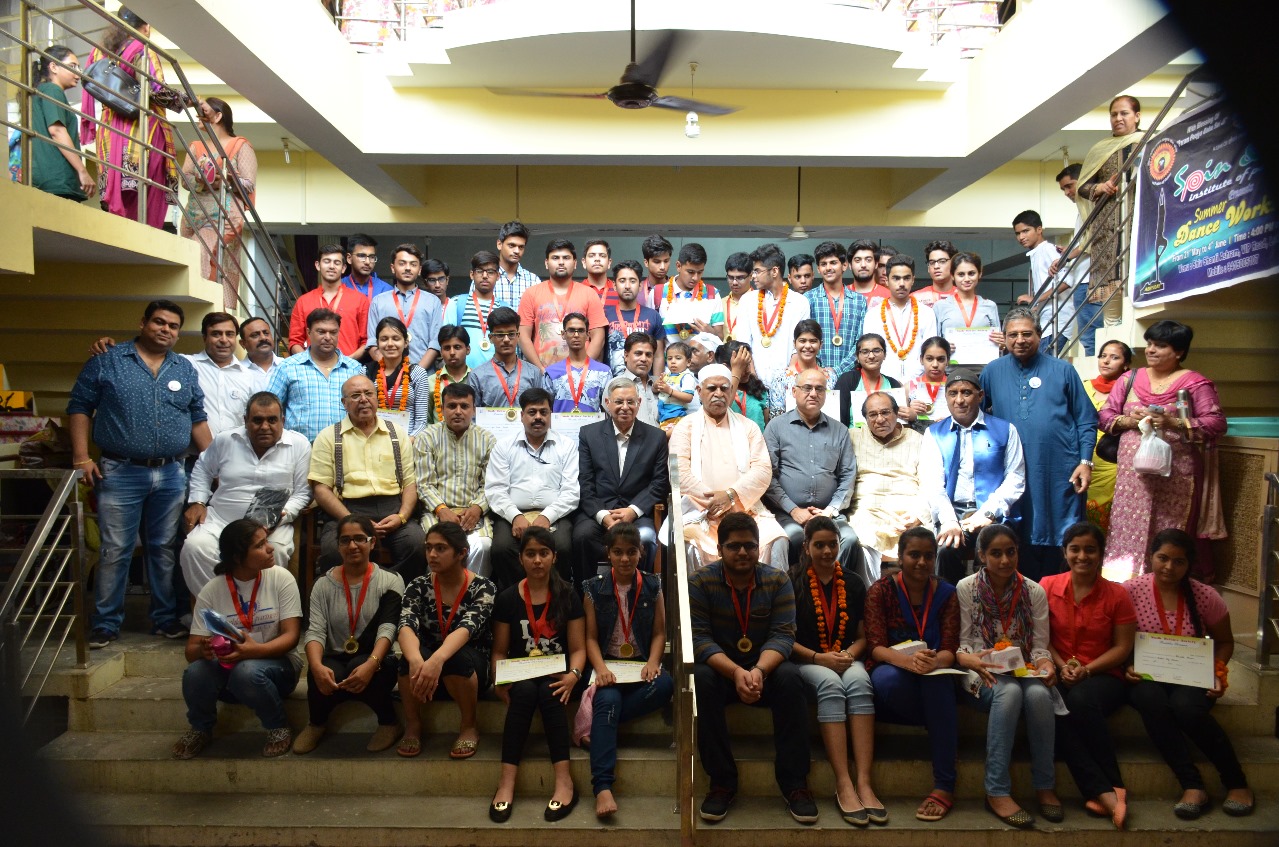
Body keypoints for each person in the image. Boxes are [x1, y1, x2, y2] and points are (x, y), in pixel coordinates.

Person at [69, 300, 212, 648]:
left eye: (173, 326)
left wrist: (214, 464)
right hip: (120, 471)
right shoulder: (108, 360)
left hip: (171, 472)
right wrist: (81, 457)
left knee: (163, 549)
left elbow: (197, 417)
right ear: (143, 323)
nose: (166, 330)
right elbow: (80, 407)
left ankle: (164, 619)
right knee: (115, 549)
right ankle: (106, 623)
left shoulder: (183, 368)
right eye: (159, 322)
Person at [688, 513, 817, 825]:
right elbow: (700, 639)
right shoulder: (701, 582)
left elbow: (783, 636)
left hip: (764, 672)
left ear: (759, 548)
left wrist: (758, 671)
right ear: (719, 549)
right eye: (734, 546)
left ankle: (795, 783)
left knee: (791, 676)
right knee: (700, 678)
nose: (743, 552)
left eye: (750, 546)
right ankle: (721, 782)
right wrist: (735, 672)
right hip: (722, 672)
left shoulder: (777, 581)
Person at [1123, 529, 1255, 819]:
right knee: (1151, 700)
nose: (1169, 567)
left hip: (1192, 678)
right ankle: (1192, 785)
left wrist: (1218, 671)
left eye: (1179, 561)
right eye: (1163, 558)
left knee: (1186, 708)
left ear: (1189, 564)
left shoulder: (1206, 596)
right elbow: (1117, 639)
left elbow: (1225, 641)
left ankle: (1236, 782)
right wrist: (1127, 665)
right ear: (1150, 557)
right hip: (1146, 677)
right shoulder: (1130, 591)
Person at [1099, 321, 1226, 582]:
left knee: (1169, 531)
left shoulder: (1194, 383)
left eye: (1160, 345)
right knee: (1128, 529)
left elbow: (1216, 423)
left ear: (1179, 352)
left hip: (1176, 477)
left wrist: (1172, 422)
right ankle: (1125, 589)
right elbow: (1105, 416)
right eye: (1149, 344)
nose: (1151, 350)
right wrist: (1131, 421)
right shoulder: (1129, 379)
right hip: (1133, 480)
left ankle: (1168, 590)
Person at [954, 525, 1060, 829]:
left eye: (1010, 552)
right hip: (980, 668)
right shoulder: (966, 587)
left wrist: (1046, 664)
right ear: (981, 555)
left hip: (1022, 667)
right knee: (1009, 692)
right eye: (996, 553)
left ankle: (1045, 785)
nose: (1004, 560)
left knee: (1039, 695)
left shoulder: (1033, 591)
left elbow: (1039, 647)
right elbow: (963, 643)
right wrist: (969, 659)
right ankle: (996, 791)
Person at [980, 307, 1096, 580]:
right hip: (1011, 471)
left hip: (1059, 470)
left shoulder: (1063, 370)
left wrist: (1085, 462)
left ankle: (1058, 593)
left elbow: (1086, 420)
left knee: (1061, 532)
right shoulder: (992, 371)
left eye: (1026, 334)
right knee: (1017, 534)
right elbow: (978, 416)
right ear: (1004, 338)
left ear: (1039, 335)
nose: (1020, 340)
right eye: (1013, 335)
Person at [172, 519, 302, 760]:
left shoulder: (281, 578)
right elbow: (191, 651)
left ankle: (277, 726)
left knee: (247, 671)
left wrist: (253, 651)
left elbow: (291, 637)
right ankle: (200, 728)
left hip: (278, 667)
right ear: (237, 557)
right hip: (231, 673)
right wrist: (204, 649)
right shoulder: (212, 590)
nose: (270, 548)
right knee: (196, 672)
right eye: (260, 545)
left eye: (266, 541)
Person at [787, 517, 884, 826]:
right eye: (820, 545)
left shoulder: (853, 582)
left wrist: (849, 654)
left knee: (860, 682)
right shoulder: (791, 580)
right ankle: (843, 782)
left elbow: (864, 636)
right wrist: (819, 658)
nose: (827, 551)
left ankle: (864, 782)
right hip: (808, 661)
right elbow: (783, 638)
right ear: (806, 547)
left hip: (845, 657)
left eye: (832, 544)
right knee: (830, 684)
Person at [1042, 522, 1136, 830]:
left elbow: (1122, 647)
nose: (1082, 556)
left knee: (1080, 700)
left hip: (1104, 675)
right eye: (1075, 549)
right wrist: (1061, 666)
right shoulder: (1047, 586)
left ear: (1101, 554)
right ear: (1064, 552)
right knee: (1053, 707)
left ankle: (1108, 786)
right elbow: (1041, 637)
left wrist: (1087, 670)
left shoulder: (1118, 594)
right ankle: (1107, 791)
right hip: (1058, 669)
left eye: (1090, 550)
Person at [489, 527, 586, 823]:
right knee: (524, 691)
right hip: (521, 673)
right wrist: (499, 681)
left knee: (549, 691)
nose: (537, 560)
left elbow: (579, 648)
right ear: (520, 558)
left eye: (544, 553)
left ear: (554, 557)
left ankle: (564, 781)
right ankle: (506, 783)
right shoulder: (507, 598)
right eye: (530, 554)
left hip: (560, 674)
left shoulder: (568, 594)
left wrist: (574, 675)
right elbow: (499, 651)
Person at [863, 527, 959, 823]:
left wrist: (933, 662)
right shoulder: (881, 590)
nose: (921, 562)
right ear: (900, 556)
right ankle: (940, 722)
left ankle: (944, 786)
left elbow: (950, 648)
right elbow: (876, 647)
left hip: (933, 672)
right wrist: (909, 663)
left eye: (928, 556)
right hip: (896, 672)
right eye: (914, 555)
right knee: (887, 681)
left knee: (938, 682)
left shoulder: (946, 593)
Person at [582, 523, 675, 818]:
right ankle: (602, 786)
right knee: (608, 700)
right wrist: (600, 669)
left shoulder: (653, 585)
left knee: (665, 685)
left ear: (641, 552)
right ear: (608, 553)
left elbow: (659, 632)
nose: (625, 559)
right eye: (618, 552)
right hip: (608, 666)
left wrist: (653, 662)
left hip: (639, 666)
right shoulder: (593, 587)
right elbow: (590, 638)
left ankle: (603, 725)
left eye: (631, 552)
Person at [180, 391, 311, 595]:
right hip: (221, 521)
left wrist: (281, 515)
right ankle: (218, 609)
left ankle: (258, 611)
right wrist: (197, 501)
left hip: (271, 525)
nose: (264, 426)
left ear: (283, 421)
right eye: (257, 420)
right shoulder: (226, 439)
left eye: (272, 420)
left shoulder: (299, 444)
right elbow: (203, 469)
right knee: (195, 547)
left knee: (275, 551)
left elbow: (303, 493)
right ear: (245, 421)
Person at [294, 514, 405, 755]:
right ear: (338, 546)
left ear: (372, 543)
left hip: (376, 656)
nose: (352, 545)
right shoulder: (322, 584)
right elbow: (315, 630)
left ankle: (389, 723)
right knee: (323, 669)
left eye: (359, 539)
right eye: (345, 540)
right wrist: (315, 666)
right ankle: (316, 724)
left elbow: (388, 628)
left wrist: (371, 663)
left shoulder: (391, 580)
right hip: (336, 655)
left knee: (362, 665)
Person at [670, 365, 788, 571]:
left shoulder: (748, 427)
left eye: (724, 388)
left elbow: (762, 471)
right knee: (691, 544)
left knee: (777, 540)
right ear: (699, 391)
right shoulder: (684, 428)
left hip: (747, 511)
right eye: (712, 388)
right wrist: (713, 502)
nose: (718, 393)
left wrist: (730, 496)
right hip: (702, 513)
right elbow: (679, 474)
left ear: (731, 391)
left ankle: (771, 593)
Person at [396, 522, 497, 760]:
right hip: (427, 668)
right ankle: (413, 724)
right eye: (428, 548)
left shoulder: (484, 587)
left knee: (455, 659)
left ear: (462, 553)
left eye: (440, 548)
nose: (432, 554)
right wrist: (415, 659)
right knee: (406, 660)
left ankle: (469, 726)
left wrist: (437, 660)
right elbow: (406, 625)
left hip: (470, 665)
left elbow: (466, 629)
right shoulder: (418, 585)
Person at [309, 375, 425, 580]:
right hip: (347, 511)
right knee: (333, 552)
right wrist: (352, 521)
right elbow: (321, 489)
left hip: (393, 510)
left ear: (376, 398)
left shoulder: (397, 433)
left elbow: (410, 483)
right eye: (355, 395)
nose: (363, 399)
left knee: (416, 545)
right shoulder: (328, 437)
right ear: (344, 403)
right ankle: (356, 596)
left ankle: (390, 590)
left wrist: (401, 517)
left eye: (368, 393)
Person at [79, 7, 184, 229]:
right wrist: (186, 101)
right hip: (140, 131)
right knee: (145, 200)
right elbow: (157, 91)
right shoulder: (142, 49)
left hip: (109, 133)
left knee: (120, 212)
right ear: (146, 27)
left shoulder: (98, 52)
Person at [921, 369, 1026, 585]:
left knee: (996, 549)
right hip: (953, 512)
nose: (959, 400)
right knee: (946, 550)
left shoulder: (1005, 430)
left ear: (980, 396)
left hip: (993, 513)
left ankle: (994, 603)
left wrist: (988, 512)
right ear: (946, 397)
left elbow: (1015, 478)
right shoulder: (935, 433)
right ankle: (950, 603)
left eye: (966, 393)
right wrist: (949, 521)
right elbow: (933, 484)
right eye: (953, 393)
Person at [573, 377, 669, 582]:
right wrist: (603, 516)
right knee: (582, 537)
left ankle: (641, 593)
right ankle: (586, 594)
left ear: (639, 403)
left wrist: (632, 511)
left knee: (646, 538)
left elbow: (659, 483)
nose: (625, 407)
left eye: (630, 401)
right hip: (598, 511)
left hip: (637, 512)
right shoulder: (589, 434)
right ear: (608, 403)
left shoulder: (656, 437)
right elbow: (585, 481)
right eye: (618, 402)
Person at [484, 388, 579, 589]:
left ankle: (555, 596)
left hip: (555, 514)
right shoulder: (504, 446)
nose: (538, 417)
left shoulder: (566, 446)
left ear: (551, 415)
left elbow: (571, 492)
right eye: (532, 412)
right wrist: (515, 516)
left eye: (543, 412)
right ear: (522, 416)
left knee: (562, 547)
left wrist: (547, 516)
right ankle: (517, 596)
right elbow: (495, 490)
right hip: (512, 514)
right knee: (501, 549)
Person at [764, 369, 857, 569]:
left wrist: (829, 511)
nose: (813, 393)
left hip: (828, 513)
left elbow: (848, 475)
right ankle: (799, 588)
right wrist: (793, 510)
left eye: (819, 389)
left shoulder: (839, 430)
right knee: (795, 538)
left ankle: (836, 587)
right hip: (788, 512)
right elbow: (768, 476)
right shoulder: (776, 427)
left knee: (849, 540)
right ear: (794, 392)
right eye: (807, 388)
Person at [181, 97, 257, 307]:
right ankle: (193, 306)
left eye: (204, 110)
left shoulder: (240, 145)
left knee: (205, 253)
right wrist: (202, 180)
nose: (199, 115)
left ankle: (210, 306)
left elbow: (249, 184)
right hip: (194, 213)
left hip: (224, 215)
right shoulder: (196, 146)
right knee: (189, 252)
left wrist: (225, 179)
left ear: (218, 116)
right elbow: (185, 179)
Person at [1076, 95, 1144, 332]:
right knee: (1111, 290)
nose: (1118, 118)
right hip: (1107, 228)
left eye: (1124, 113)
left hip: (1140, 221)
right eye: (1114, 114)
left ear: (1137, 116)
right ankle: (1113, 331)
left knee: (1138, 273)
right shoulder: (1100, 150)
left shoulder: (1149, 143)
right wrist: (1100, 188)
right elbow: (1082, 186)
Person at [847, 391, 930, 582]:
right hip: (867, 512)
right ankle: (872, 597)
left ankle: (915, 599)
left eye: (885, 412)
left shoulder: (917, 439)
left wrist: (919, 514)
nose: (880, 419)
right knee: (862, 542)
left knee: (925, 541)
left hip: (909, 513)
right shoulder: (852, 438)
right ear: (865, 419)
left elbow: (930, 483)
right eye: (873, 415)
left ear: (896, 413)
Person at [416, 383, 496, 577]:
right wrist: (442, 510)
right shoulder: (427, 438)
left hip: (473, 513)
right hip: (436, 512)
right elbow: (424, 484)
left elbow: (492, 484)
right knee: (438, 546)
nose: (458, 411)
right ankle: (439, 593)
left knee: (483, 546)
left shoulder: (487, 439)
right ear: (442, 409)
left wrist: (477, 508)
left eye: (464, 406)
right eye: (452, 406)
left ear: (474, 409)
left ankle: (473, 593)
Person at [267, 309, 364, 442]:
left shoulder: (354, 369)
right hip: (301, 449)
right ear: (308, 332)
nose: (328, 337)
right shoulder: (288, 367)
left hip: (346, 447)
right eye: (321, 332)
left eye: (333, 332)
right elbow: (268, 407)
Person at [518, 239, 606, 367]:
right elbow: (523, 336)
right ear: (546, 263)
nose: (561, 262)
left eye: (566, 258)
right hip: (542, 372)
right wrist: (540, 370)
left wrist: (583, 369)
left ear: (575, 263)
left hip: (580, 372)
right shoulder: (531, 293)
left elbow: (598, 337)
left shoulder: (589, 294)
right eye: (555, 258)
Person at [29, 45, 94, 201]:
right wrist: (82, 171)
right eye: (72, 66)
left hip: (46, 178)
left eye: (78, 67)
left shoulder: (41, 91)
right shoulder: (52, 90)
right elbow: (57, 131)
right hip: (58, 178)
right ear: (53, 67)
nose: (78, 73)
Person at [365, 243, 443, 371]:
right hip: (386, 376)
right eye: (402, 263)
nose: (408, 268)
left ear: (419, 270)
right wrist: (392, 372)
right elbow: (373, 342)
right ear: (393, 268)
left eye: (413, 264)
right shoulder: (378, 302)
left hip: (424, 375)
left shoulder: (433, 302)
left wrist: (416, 373)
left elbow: (435, 343)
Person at [861, 256, 937, 385]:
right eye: (896, 278)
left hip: (919, 383)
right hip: (884, 384)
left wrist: (911, 381)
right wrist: (890, 381)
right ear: (887, 280)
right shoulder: (873, 315)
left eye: (906, 278)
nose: (901, 283)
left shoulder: (927, 313)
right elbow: (870, 354)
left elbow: (930, 352)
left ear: (913, 280)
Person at [744, 243, 812, 385]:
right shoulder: (748, 300)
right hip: (753, 381)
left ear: (774, 271)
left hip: (788, 381)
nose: (753, 276)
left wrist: (788, 377)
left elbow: (799, 344)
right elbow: (744, 343)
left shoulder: (800, 302)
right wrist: (753, 379)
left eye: (757, 271)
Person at [1084, 340, 1133, 531]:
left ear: (1126, 364)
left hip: (1113, 460)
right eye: (1103, 356)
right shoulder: (1084, 386)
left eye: (1114, 357)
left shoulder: (1131, 391)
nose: (1106, 361)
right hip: (1085, 458)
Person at [288, 244, 369, 357]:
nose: (331, 266)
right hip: (311, 366)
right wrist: (309, 363)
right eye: (327, 261)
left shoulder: (360, 300)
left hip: (349, 365)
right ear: (318, 265)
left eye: (337, 263)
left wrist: (347, 362)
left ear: (343, 268)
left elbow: (366, 341)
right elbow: (295, 341)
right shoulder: (303, 301)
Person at [1014, 210, 1075, 353]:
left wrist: (1035, 299)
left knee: (1041, 362)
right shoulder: (1035, 254)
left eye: (1026, 231)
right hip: (1046, 318)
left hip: (1057, 319)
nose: (1021, 237)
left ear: (1039, 229)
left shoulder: (1048, 249)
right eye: (1018, 233)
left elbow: (1067, 280)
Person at [807, 241, 868, 376]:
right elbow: (805, 340)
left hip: (850, 376)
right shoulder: (808, 299)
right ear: (818, 269)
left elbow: (861, 342)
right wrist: (820, 370)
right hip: (816, 376)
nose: (828, 268)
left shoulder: (859, 301)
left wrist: (838, 370)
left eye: (833, 263)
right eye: (823, 264)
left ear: (844, 265)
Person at [932, 252, 1004, 367]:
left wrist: (1001, 343)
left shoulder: (990, 306)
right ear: (952, 276)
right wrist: (942, 347)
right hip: (950, 371)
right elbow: (933, 345)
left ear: (980, 273)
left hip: (984, 370)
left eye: (971, 273)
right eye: (961, 274)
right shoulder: (940, 306)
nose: (966, 279)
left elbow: (999, 345)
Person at [442, 250, 512, 369]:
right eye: (480, 271)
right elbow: (446, 341)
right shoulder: (457, 303)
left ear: (498, 276)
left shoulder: (505, 308)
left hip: (496, 374)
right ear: (472, 274)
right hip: (463, 375)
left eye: (490, 272)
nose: (485, 276)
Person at [467, 306, 543, 409]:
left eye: (511, 334)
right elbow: (472, 414)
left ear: (518, 336)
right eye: (500, 335)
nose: (506, 339)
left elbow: (540, 409)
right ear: (491, 338)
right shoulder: (477, 376)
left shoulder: (534, 373)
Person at [365, 316, 430, 435]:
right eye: (384, 339)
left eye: (396, 339)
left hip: (408, 440)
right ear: (377, 343)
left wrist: (407, 442)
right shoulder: (366, 372)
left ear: (405, 343)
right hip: (374, 438)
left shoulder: (417, 373)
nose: (390, 344)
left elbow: (421, 421)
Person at [541, 312, 611, 412]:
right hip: (561, 423)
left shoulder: (604, 372)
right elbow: (546, 410)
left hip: (595, 423)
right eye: (571, 330)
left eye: (581, 331)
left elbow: (608, 409)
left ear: (588, 335)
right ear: (563, 334)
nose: (576, 335)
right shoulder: (551, 373)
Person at [765, 320, 837, 418]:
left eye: (813, 341)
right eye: (802, 341)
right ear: (794, 343)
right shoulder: (781, 378)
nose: (807, 346)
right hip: (788, 427)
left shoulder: (830, 377)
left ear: (821, 344)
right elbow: (776, 416)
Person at [603, 259, 664, 374]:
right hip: (612, 382)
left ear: (640, 285)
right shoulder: (604, 315)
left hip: (644, 382)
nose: (627, 286)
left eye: (632, 281)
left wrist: (656, 382)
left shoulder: (653, 316)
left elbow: (658, 356)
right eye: (622, 281)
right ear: (614, 285)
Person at [656, 242, 724, 344]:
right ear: (678, 266)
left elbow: (720, 337)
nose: (695, 278)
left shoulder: (712, 294)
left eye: (700, 272)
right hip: (668, 354)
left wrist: (710, 333)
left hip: (702, 354)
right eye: (690, 272)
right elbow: (653, 335)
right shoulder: (657, 293)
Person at [833, 333, 903, 428]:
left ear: (885, 355)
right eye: (865, 352)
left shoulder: (893, 384)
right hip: (854, 436)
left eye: (876, 351)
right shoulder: (847, 380)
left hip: (887, 436)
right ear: (857, 356)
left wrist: (911, 415)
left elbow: (899, 421)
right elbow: (838, 420)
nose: (871, 356)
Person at [424, 325, 472, 425]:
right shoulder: (430, 382)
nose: (452, 352)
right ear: (441, 352)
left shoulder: (477, 379)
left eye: (457, 347)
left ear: (468, 349)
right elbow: (426, 420)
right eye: (447, 348)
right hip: (437, 435)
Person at [904, 336, 951, 427]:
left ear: (948, 360)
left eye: (940, 359)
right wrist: (909, 410)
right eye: (929, 359)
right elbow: (900, 422)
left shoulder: (955, 386)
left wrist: (952, 418)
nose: (935, 365)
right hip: (917, 434)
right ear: (921, 359)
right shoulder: (909, 388)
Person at [616, 332, 659, 428]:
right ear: (626, 355)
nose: (644, 359)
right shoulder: (615, 385)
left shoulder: (661, 384)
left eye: (648, 355)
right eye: (638, 353)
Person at [494, 221, 540, 307]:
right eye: (511, 245)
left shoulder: (533, 281)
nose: (517, 251)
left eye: (521, 247)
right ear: (499, 244)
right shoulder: (486, 278)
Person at [655, 341, 698, 429]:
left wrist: (669, 391)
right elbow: (654, 390)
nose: (673, 362)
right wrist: (657, 384)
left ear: (688, 362)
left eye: (678, 358)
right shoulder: (666, 375)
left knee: (668, 436)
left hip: (676, 416)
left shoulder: (687, 377)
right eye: (669, 358)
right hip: (663, 416)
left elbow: (688, 397)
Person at [341, 233, 392, 299]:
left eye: (372, 257)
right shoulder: (339, 286)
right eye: (362, 256)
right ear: (349, 258)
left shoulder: (386, 290)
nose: (367, 262)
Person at [913, 240, 959, 309]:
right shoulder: (916, 298)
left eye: (942, 261)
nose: (936, 266)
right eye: (932, 262)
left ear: (953, 265)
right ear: (928, 268)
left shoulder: (964, 296)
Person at [720, 252, 754, 342]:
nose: (734, 282)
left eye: (740, 278)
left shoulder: (759, 303)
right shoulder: (720, 303)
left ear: (751, 276)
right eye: (731, 277)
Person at [238, 317, 283, 383]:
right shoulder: (237, 371)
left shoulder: (288, 366)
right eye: (255, 335)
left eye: (266, 333)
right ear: (243, 343)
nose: (263, 338)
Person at [638, 233, 673, 309]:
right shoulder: (637, 290)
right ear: (646, 262)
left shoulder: (677, 289)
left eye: (666, 261)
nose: (662, 267)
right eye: (657, 262)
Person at [581, 239, 614, 304]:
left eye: (602, 256)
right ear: (584, 262)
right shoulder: (576, 291)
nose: (597, 259)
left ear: (609, 263)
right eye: (591, 256)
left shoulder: (619, 290)